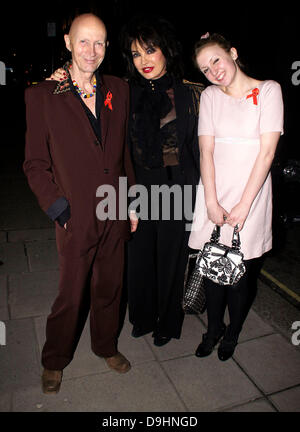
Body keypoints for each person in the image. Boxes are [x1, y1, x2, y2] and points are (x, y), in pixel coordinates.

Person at [24, 13, 138, 395]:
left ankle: (105, 345)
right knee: (70, 293)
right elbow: (35, 164)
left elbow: (123, 152)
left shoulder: (119, 89)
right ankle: (54, 359)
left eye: (100, 42)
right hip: (75, 216)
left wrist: (133, 202)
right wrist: (61, 210)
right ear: (69, 42)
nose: (92, 51)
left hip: (115, 208)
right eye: (84, 41)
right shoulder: (43, 95)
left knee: (110, 286)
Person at [189, 32, 284, 361]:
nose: (212, 71)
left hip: (252, 195)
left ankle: (232, 331)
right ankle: (213, 328)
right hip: (215, 191)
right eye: (204, 68)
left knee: (241, 274)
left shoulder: (269, 90)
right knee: (213, 268)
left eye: (215, 59)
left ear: (232, 52)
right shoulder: (210, 97)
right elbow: (206, 150)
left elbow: (267, 152)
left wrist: (244, 205)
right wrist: (211, 201)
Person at [120, 15, 204, 346]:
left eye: (150, 50)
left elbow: (200, 149)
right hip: (140, 187)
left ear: (165, 50)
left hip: (179, 188)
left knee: (172, 259)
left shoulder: (189, 93)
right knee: (138, 257)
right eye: (136, 54)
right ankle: (142, 316)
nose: (144, 61)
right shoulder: (124, 93)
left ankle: (168, 323)